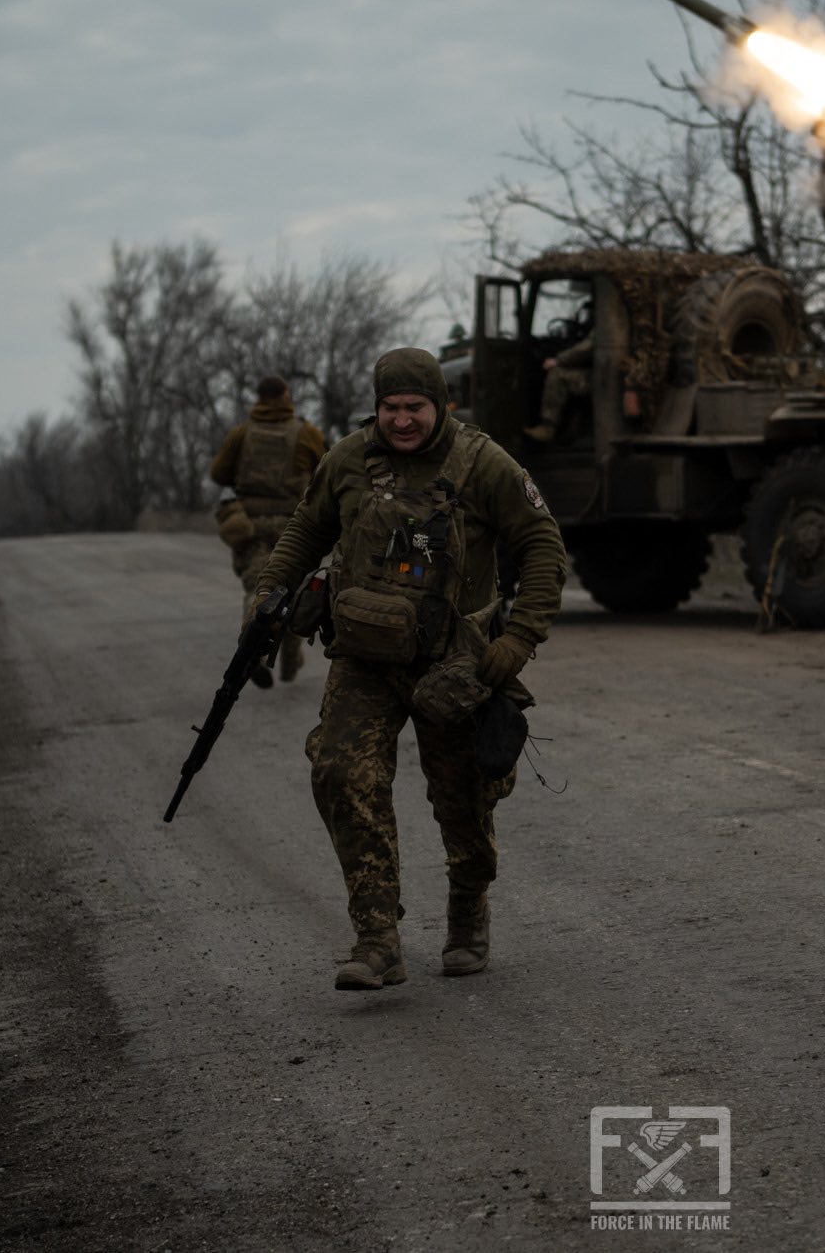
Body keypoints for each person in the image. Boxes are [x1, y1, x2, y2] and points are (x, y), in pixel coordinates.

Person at [249, 347, 567, 991]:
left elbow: (542, 545)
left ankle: (467, 913)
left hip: (455, 665)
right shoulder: (347, 459)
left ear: (440, 405)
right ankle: (377, 937)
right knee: (341, 772)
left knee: (464, 801)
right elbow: (305, 531)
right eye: (390, 408)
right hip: (365, 659)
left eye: (414, 407)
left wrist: (517, 643)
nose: (400, 420)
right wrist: (268, 592)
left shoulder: (484, 464)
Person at [210, 376, 327, 687]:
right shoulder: (306, 433)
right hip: (296, 525)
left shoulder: (241, 434)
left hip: (253, 524)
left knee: (259, 586)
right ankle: (291, 657)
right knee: (294, 590)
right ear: (286, 396)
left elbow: (219, 472)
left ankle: (255, 653)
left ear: (259, 399)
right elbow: (327, 467)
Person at [522, 299, 595, 443]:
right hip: (596, 374)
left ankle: (548, 427)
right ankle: (568, 430)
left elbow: (587, 348)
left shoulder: (605, 325)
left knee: (557, 375)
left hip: (597, 379)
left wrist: (559, 360)